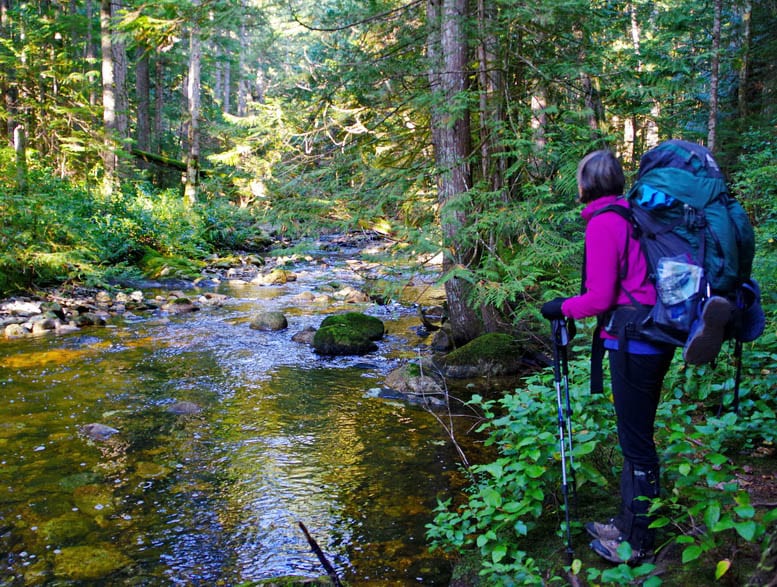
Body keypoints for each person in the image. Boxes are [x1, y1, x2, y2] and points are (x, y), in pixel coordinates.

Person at [540, 149, 676, 563]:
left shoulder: (605, 224)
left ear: (585, 185)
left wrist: (560, 306)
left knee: (636, 443)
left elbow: (600, 298)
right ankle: (626, 521)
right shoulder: (630, 213)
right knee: (634, 437)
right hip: (650, 334)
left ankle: (637, 541)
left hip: (635, 340)